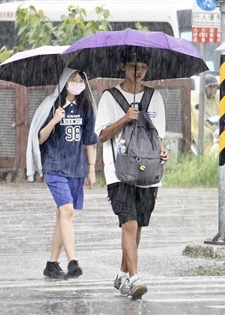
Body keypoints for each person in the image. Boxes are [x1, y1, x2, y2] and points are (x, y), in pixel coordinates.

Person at [94, 48, 169, 299]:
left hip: (148, 173)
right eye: (134, 66)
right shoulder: (109, 98)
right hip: (119, 173)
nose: (139, 72)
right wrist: (125, 118)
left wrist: (163, 150)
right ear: (122, 66)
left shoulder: (154, 97)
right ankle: (135, 278)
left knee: (137, 228)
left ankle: (122, 275)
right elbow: (102, 136)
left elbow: (159, 135)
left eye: (143, 67)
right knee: (129, 223)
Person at [26, 67, 98, 279]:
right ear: (65, 81)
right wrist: (54, 120)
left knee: (62, 214)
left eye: (80, 80)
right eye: (73, 79)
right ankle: (73, 262)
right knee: (67, 211)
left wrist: (92, 169)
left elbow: (89, 141)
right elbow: (40, 138)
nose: (76, 83)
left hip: (76, 168)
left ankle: (51, 264)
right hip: (54, 166)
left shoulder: (86, 108)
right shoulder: (53, 105)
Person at [191, 74, 220, 153]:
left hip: (216, 126)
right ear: (204, 88)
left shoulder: (219, 96)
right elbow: (198, 116)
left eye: (215, 87)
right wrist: (209, 122)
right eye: (210, 87)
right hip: (199, 127)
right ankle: (207, 160)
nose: (213, 89)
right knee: (207, 136)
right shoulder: (197, 97)